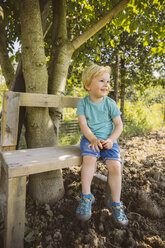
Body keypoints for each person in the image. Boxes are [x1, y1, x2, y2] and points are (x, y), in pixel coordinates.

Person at [76, 63, 128, 226]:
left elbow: (119, 125)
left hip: (108, 140)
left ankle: (116, 203)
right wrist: (92, 139)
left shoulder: (110, 103)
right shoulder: (83, 104)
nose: (106, 85)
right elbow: (83, 126)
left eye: (108, 81)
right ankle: (86, 197)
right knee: (89, 160)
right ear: (88, 85)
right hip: (90, 139)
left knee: (115, 166)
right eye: (101, 81)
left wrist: (111, 139)